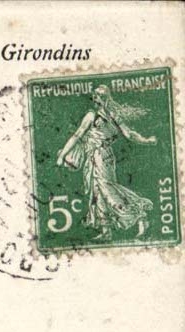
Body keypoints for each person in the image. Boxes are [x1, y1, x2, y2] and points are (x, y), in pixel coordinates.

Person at [56, 85, 157, 242]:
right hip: (98, 156)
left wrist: (62, 155)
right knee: (98, 191)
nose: (98, 99)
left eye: (101, 96)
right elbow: (128, 134)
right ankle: (106, 230)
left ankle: (140, 216)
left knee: (107, 189)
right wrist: (147, 141)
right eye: (98, 96)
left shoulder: (100, 115)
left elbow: (78, 135)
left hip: (100, 156)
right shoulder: (106, 115)